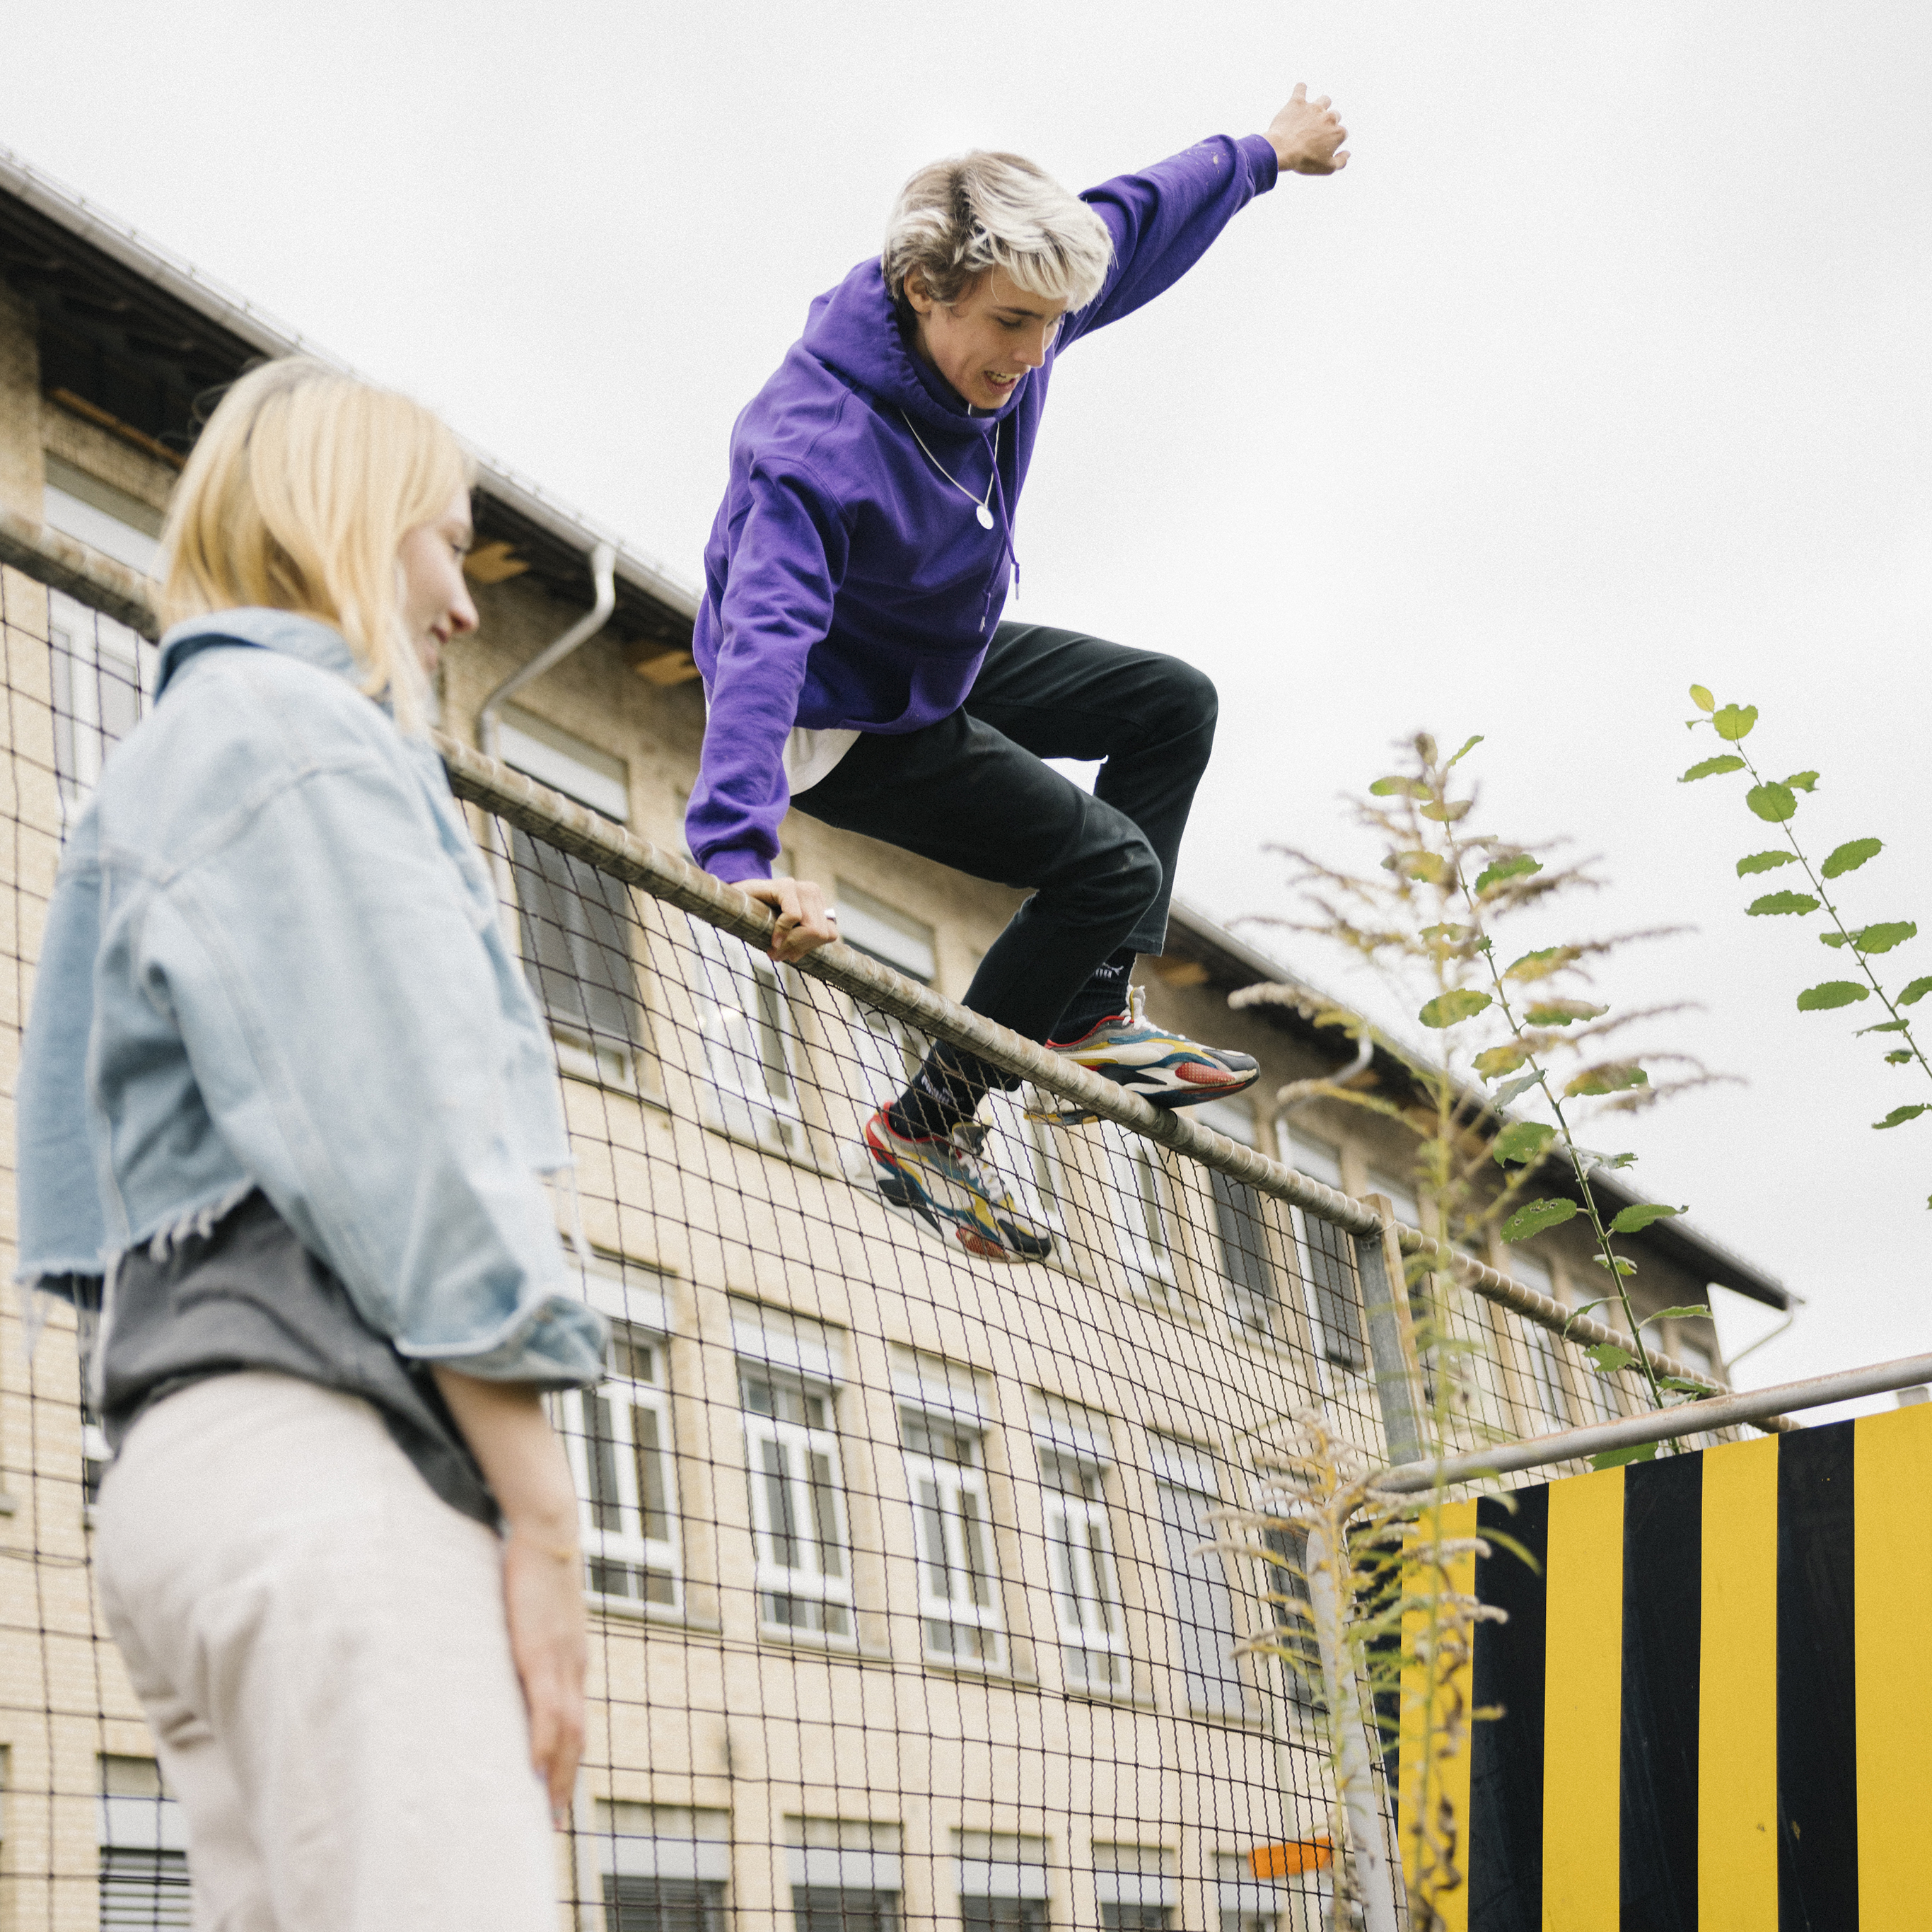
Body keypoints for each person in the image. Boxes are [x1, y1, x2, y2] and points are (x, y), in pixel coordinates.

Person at [14, 359, 608, 1930]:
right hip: (326, 1476)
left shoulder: (170, 757)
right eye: (443, 542)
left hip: (183, 1471)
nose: (464, 605)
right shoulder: (299, 735)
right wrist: (545, 1525)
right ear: (349, 527)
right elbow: (408, 1154)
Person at [686, 86, 1350, 1262]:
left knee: (1170, 703)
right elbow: (763, 642)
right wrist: (740, 855)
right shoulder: (814, 444)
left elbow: (1134, 220)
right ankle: (925, 1130)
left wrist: (1265, 154)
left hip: (930, 656)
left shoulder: (1014, 314)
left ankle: (1088, 1009)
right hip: (835, 716)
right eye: (1009, 326)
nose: (1031, 354)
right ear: (920, 291)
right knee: (1108, 864)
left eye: (1049, 325)